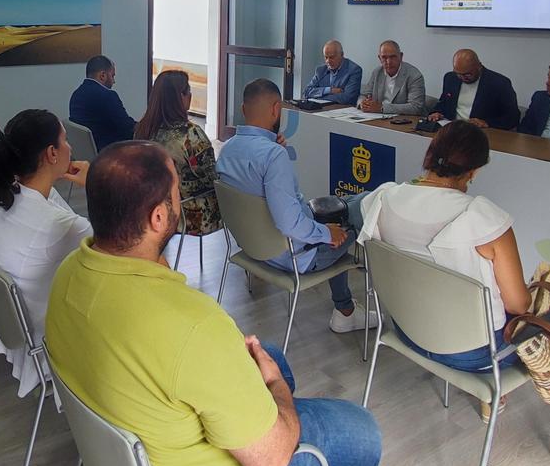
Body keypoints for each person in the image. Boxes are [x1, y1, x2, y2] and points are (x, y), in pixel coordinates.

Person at [46, 141, 381, 466]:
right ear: (157, 218)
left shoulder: (68, 275)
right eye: (175, 195)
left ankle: (259, 413)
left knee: (269, 355)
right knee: (365, 436)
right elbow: (274, 460)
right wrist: (276, 392)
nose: (180, 201)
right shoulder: (193, 325)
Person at [357, 121, 525, 421]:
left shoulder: (384, 199)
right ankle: (493, 395)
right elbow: (518, 305)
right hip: (473, 352)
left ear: (430, 155)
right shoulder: (486, 222)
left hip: (406, 330)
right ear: (474, 171)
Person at [216, 79, 371, 333]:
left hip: (253, 246)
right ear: (277, 109)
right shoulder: (273, 156)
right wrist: (325, 233)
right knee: (368, 207)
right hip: (297, 256)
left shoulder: (228, 149)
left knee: (351, 202)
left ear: (244, 110)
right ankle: (348, 310)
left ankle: (346, 309)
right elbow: (289, 224)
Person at [0, 110, 91, 396]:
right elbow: (117, 248)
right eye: (65, 141)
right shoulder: (57, 224)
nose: (71, 148)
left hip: (17, 322)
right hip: (50, 330)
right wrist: (94, 186)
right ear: (52, 154)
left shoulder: (4, 197)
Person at [135, 69, 222, 237]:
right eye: (188, 92)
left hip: (153, 207)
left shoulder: (143, 129)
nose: (190, 96)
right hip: (191, 214)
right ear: (179, 98)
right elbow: (212, 179)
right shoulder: (191, 135)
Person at [430, 49, 519, 130]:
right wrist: (437, 113)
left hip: (481, 133)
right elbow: (443, 103)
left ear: (479, 66)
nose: (462, 78)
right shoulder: (450, 78)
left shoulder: (499, 83)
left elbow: (512, 118)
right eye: (458, 74)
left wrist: (487, 123)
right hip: (452, 129)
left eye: (467, 74)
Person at [69, 54, 136, 151]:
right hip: (108, 153)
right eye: (112, 76)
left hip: (87, 152)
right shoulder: (108, 96)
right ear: (103, 75)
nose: (114, 81)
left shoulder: (76, 94)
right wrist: (145, 126)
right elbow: (127, 128)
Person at [358, 40, 427, 116]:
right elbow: (363, 95)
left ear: (401, 56)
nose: (388, 62)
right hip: (377, 117)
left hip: (404, 121)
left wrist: (382, 108)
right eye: (384, 57)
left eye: (392, 57)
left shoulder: (414, 75)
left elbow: (416, 107)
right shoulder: (377, 72)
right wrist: (362, 103)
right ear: (379, 58)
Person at [303, 40, 362, 105]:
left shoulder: (354, 70)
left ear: (342, 55)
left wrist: (318, 95)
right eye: (326, 57)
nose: (328, 61)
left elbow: (347, 98)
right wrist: (329, 90)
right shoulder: (321, 70)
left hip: (342, 110)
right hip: (321, 110)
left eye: (332, 57)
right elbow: (306, 92)